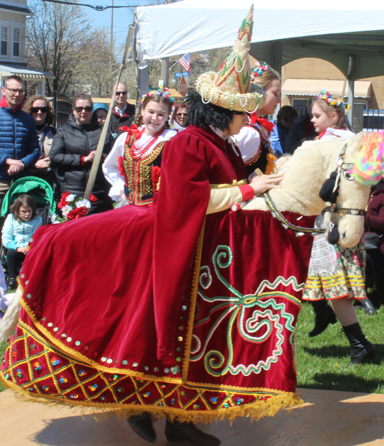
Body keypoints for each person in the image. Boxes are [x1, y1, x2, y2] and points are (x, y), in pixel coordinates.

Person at [0, 9, 302, 446]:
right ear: (223, 112)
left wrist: (262, 184)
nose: (246, 119)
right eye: (241, 112)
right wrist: (249, 190)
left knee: (186, 338)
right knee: (148, 328)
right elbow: (189, 201)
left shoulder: (220, 142)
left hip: (201, 253)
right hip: (162, 245)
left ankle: (176, 419)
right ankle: (142, 404)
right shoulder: (189, 143)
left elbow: (230, 187)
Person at [303, 90, 376, 364]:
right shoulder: (352, 140)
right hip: (342, 220)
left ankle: (360, 344)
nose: (312, 119)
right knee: (330, 282)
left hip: (332, 222)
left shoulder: (333, 144)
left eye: (317, 115)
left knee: (337, 285)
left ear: (334, 116)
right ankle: (329, 318)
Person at [103, 88, 177, 205]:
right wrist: (121, 189)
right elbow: (110, 165)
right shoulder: (127, 138)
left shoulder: (171, 140)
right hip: (129, 203)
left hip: (157, 207)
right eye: (151, 112)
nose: (154, 118)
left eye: (161, 114)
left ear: (168, 115)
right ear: (142, 111)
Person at [49, 93, 113, 214]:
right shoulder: (63, 132)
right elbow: (55, 157)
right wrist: (82, 159)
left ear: (92, 110)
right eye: (79, 109)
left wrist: (101, 157)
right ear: (73, 111)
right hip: (72, 190)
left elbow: (113, 156)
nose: (83, 112)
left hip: (98, 191)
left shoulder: (103, 133)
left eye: (87, 108)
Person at [233, 61, 281, 176]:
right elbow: (228, 170)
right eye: (275, 93)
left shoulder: (254, 127)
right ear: (259, 92)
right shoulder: (248, 131)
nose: (279, 100)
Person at [0, 75, 39, 202]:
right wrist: (8, 161)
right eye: (13, 90)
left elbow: (35, 150)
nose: (17, 94)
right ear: (3, 90)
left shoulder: (28, 119)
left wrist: (22, 163)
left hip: (21, 181)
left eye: (21, 91)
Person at [1, 194, 42, 290]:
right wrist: (17, 248)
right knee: (10, 252)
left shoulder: (37, 220)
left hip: (31, 250)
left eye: (29, 211)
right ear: (17, 211)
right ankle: (11, 277)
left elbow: (37, 237)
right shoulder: (11, 219)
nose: (27, 214)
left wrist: (31, 248)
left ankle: (34, 278)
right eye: (23, 211)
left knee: (39, 254)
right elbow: (6, 237)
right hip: (16, 249)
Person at [23, 95, 57, 185]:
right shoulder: (24, 131)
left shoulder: (55, 133)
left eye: (43, 109)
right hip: (27, 178)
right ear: (30, 111)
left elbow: (60, 153)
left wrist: (50, 161)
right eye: (35, 110)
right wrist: (35, 163)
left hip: (48, 178)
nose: (39, 112)